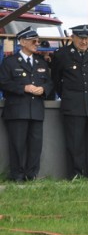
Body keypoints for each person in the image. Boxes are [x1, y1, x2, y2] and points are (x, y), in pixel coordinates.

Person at [51, 24, 88, 179]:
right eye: (80, 38)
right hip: (73, 104)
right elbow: (56, 80)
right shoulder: (62, 54)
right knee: (74, 143)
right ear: (72, 38)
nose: (84, 42)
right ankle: (76, 175)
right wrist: (67, 96)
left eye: (86, 38)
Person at [0, 27, 54, 182]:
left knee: (35, 146)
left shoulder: (40, 62)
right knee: (17, 145)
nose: (37, 44)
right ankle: (17, 176)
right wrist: (23, 88)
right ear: (23, 42)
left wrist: (43, 89)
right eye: (33, 41)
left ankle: (32, 175)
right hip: (17, 111)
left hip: (36, 110)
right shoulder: (10, 62)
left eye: (37, 41)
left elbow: (49, 83)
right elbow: (4, 83)